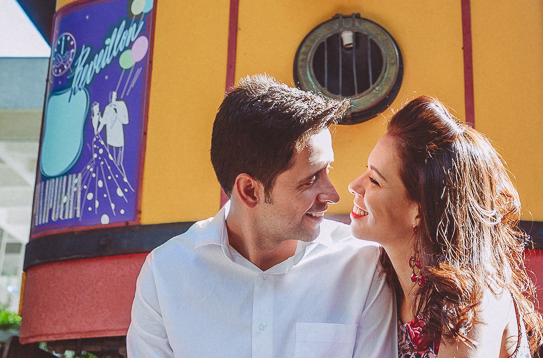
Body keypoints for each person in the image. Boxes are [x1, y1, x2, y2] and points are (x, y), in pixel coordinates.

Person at [126, 74, 396, 358]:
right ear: (249, 191)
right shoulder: (164, 275)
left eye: (327, 170)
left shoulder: (363, 266)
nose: (332, 194)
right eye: (310, 179)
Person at [347, 96, 543, 358]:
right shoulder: (380, 279)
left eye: (374, 180)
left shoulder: (473, 301)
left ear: (419, 210)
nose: (354, 185)